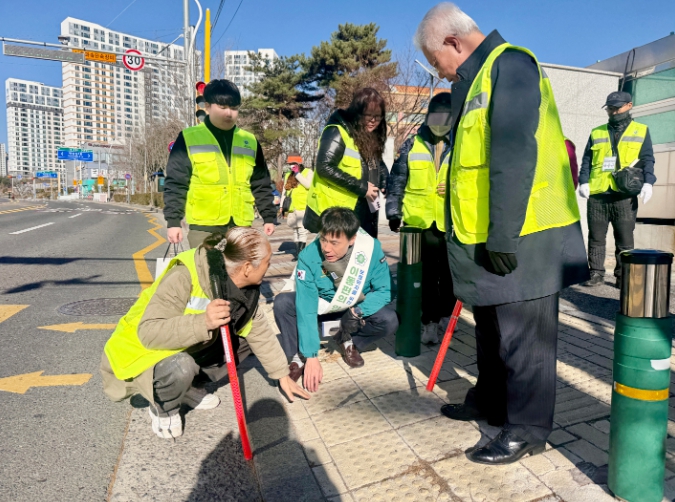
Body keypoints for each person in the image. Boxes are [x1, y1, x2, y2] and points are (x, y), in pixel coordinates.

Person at [414, 3, 589, 464]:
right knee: (491, 328)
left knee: (525, 339)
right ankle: (490, 400)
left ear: (453, 42)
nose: (439, 72)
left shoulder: (510, 65)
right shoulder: (475, 80)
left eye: (435, 60)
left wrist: (503, 236)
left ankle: (528, 429)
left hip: (524, 233)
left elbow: (513, 156)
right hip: (489, 234)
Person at [100, 228, 309, 439]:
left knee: (243, 341)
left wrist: (281, 375)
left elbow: (259, 330)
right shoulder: (185, 274)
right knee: (182, 366)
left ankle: (188, 387)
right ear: (247, 267)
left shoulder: (245, 288)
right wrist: (204, 322)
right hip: (143, 354)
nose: (269, 266)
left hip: (183, 347)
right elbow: (149, 333)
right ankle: (163, 407)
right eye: (267, 261)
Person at [274, 207, 398, 390]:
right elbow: (306, 306)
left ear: (352, 239)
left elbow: (386, 290)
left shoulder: (370, 250)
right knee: (282, 303)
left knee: (389, 320)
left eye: (334, 243)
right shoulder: (308, 255)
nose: (326, 248)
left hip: (352, 307)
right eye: (323, 239)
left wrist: (358, 312)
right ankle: (298, 356)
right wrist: (312, 356)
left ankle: (349, 341)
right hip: (321, 306)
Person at [163, 79, 277, 248]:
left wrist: (268, 216)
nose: (229, 113)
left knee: (242, 266)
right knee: (207, 266)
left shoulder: (250, 141)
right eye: (223, 107)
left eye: (234, 108)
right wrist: (173, 221)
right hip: (204, 228)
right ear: (208, 107)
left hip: (241, 227)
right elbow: (176, 182)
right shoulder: (189, 137)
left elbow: (261, 182)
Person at [386, 92, 457, 344]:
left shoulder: (459, 144)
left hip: (450, 222)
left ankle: (447, 316)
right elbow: (397, 179)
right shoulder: (411, 144)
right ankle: (429, 321)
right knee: (425, 276)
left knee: (449, 275)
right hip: (419, 224)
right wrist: (393, 212)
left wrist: (453, 187)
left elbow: (470, 180)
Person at [578, 91, 656, 288]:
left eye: (616, 108)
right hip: (598, 194)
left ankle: (623, 276)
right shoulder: (597, 132)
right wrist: (583, 181)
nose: (613, 112)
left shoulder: (641, 130)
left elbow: (647, 159)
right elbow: (587, 160)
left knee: (624, 240)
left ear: (629, 106)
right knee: (596, 237)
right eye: (610, 108)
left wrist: (648, 182)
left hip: (624, 194)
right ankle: (596, 273)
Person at [304, 88, 389, 238]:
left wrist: (385, 180)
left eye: (377, 116)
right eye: (368, 115)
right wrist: (363, 188)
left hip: (364, 210)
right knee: (336, 252)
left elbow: (376, 164)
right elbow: (324, 167)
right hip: (335, 214)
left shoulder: (369, 136)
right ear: (356, 113)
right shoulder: (337, 131)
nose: (373, 120)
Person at [281, 153, 313, 260]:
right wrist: (281, 206)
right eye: (290, 164)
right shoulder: (288, 175)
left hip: (303, 206)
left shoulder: (308, 172)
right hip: (292, 207)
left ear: (299, 163)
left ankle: (301, 255)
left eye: (293, 163)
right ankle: (297, 253)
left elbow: (308, 185)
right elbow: (285, 191)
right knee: (295, 230)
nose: (291, 166)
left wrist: (297, 174)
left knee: (302, 230)